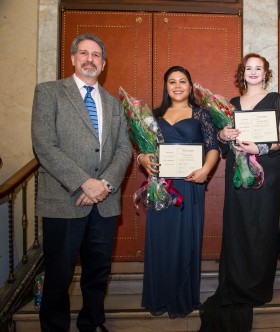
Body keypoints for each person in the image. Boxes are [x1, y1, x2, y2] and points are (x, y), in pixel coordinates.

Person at [31, 34, 132, 332]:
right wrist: (83, 182)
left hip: (105, 202)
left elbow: (124, 149)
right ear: (73, 58)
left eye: (96, 55)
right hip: (63, 201)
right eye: (84, 53)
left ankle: (92, 323)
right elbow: (44, 145)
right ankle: (54, 327)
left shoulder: (115, 104)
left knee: (98, 272)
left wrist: (104, 185)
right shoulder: (49, 93)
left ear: (103, 63)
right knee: (59, 275)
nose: (90, 59)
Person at [199, 53, 280, 331]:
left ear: (266, 73)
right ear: (243, 73)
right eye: (248, 68)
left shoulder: (276, 100)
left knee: (263, 227)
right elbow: (224, 144)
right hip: (238, 174)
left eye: (258, 68)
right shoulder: (232, 104)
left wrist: (259, 149)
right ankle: (236, 282)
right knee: (238, 227)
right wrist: (223, 136)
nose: (253, 72)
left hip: (268, 172)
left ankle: (259, 288)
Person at [137, 66, 219, 318]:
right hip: (162, 186)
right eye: (172, 82)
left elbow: (213, 147)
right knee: (161, 239)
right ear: (166, 86)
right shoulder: (154, 115)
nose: (177, 86)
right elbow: (143, 146)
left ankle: (183, 298)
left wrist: (206, 170)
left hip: (189, 184)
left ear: (190, 85)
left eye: (182, 81)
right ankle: (158, 297)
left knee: (186, 239)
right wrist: (141, 158)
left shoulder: (201, 114)